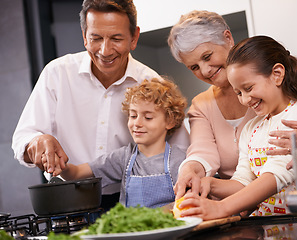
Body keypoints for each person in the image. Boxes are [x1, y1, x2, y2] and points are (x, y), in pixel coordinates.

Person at [11, 0, 189, 209]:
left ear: (134, 38)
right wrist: (37, 142)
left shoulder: (152, 84)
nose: (105, 51)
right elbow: (23, 138)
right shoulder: (57, 73)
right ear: (84, 36)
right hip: (68, 198)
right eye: (96, 38)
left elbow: (181, 153)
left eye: (116, 38)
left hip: (127, 204)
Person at [167, 10, 297, 199]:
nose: (205, 70)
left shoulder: (286, 93)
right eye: (194, 67)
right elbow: (202, 152)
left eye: (207, 56)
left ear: (227, 38)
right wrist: (190, 170)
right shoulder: (201, 105)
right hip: (244, 205)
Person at [177, 35, 297, 222]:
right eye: (239, 93)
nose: (245, 100)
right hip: (270, 227)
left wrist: (222, 208)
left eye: (249, 88)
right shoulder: (252, 128)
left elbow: (276, 174)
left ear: (277, 74)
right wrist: (209, 184)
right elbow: (243, 181)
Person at [42, 78, 187, 208]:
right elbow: (77, 173)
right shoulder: (124, 157)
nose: (137, 123)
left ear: (170, 121)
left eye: (148, 117)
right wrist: (62, 166)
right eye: (133, 115)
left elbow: (185, 202)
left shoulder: (180, 161)